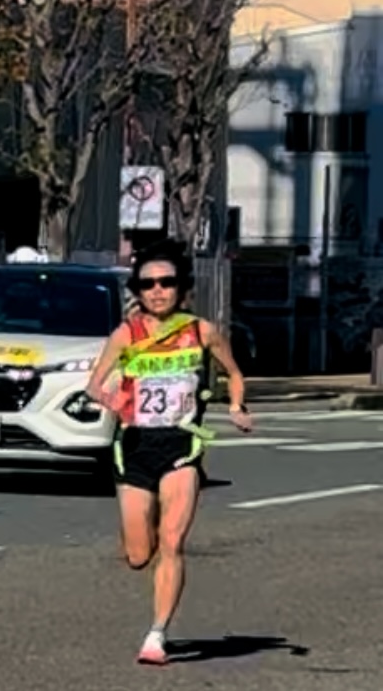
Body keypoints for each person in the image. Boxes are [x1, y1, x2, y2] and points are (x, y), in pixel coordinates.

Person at [86, 239, 253, 665]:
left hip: (182, 445)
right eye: (148, 284)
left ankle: (156, 635)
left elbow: (233, 375)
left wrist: (236, 407)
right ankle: (140, 534)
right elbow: (94, 384)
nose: (157, 290)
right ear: (137, 291)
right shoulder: (126, 334)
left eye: (167, 282)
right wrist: (115, 401)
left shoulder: (201, 331)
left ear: (182, 287)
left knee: (173, 542)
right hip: (136, 446)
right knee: (140, 554)